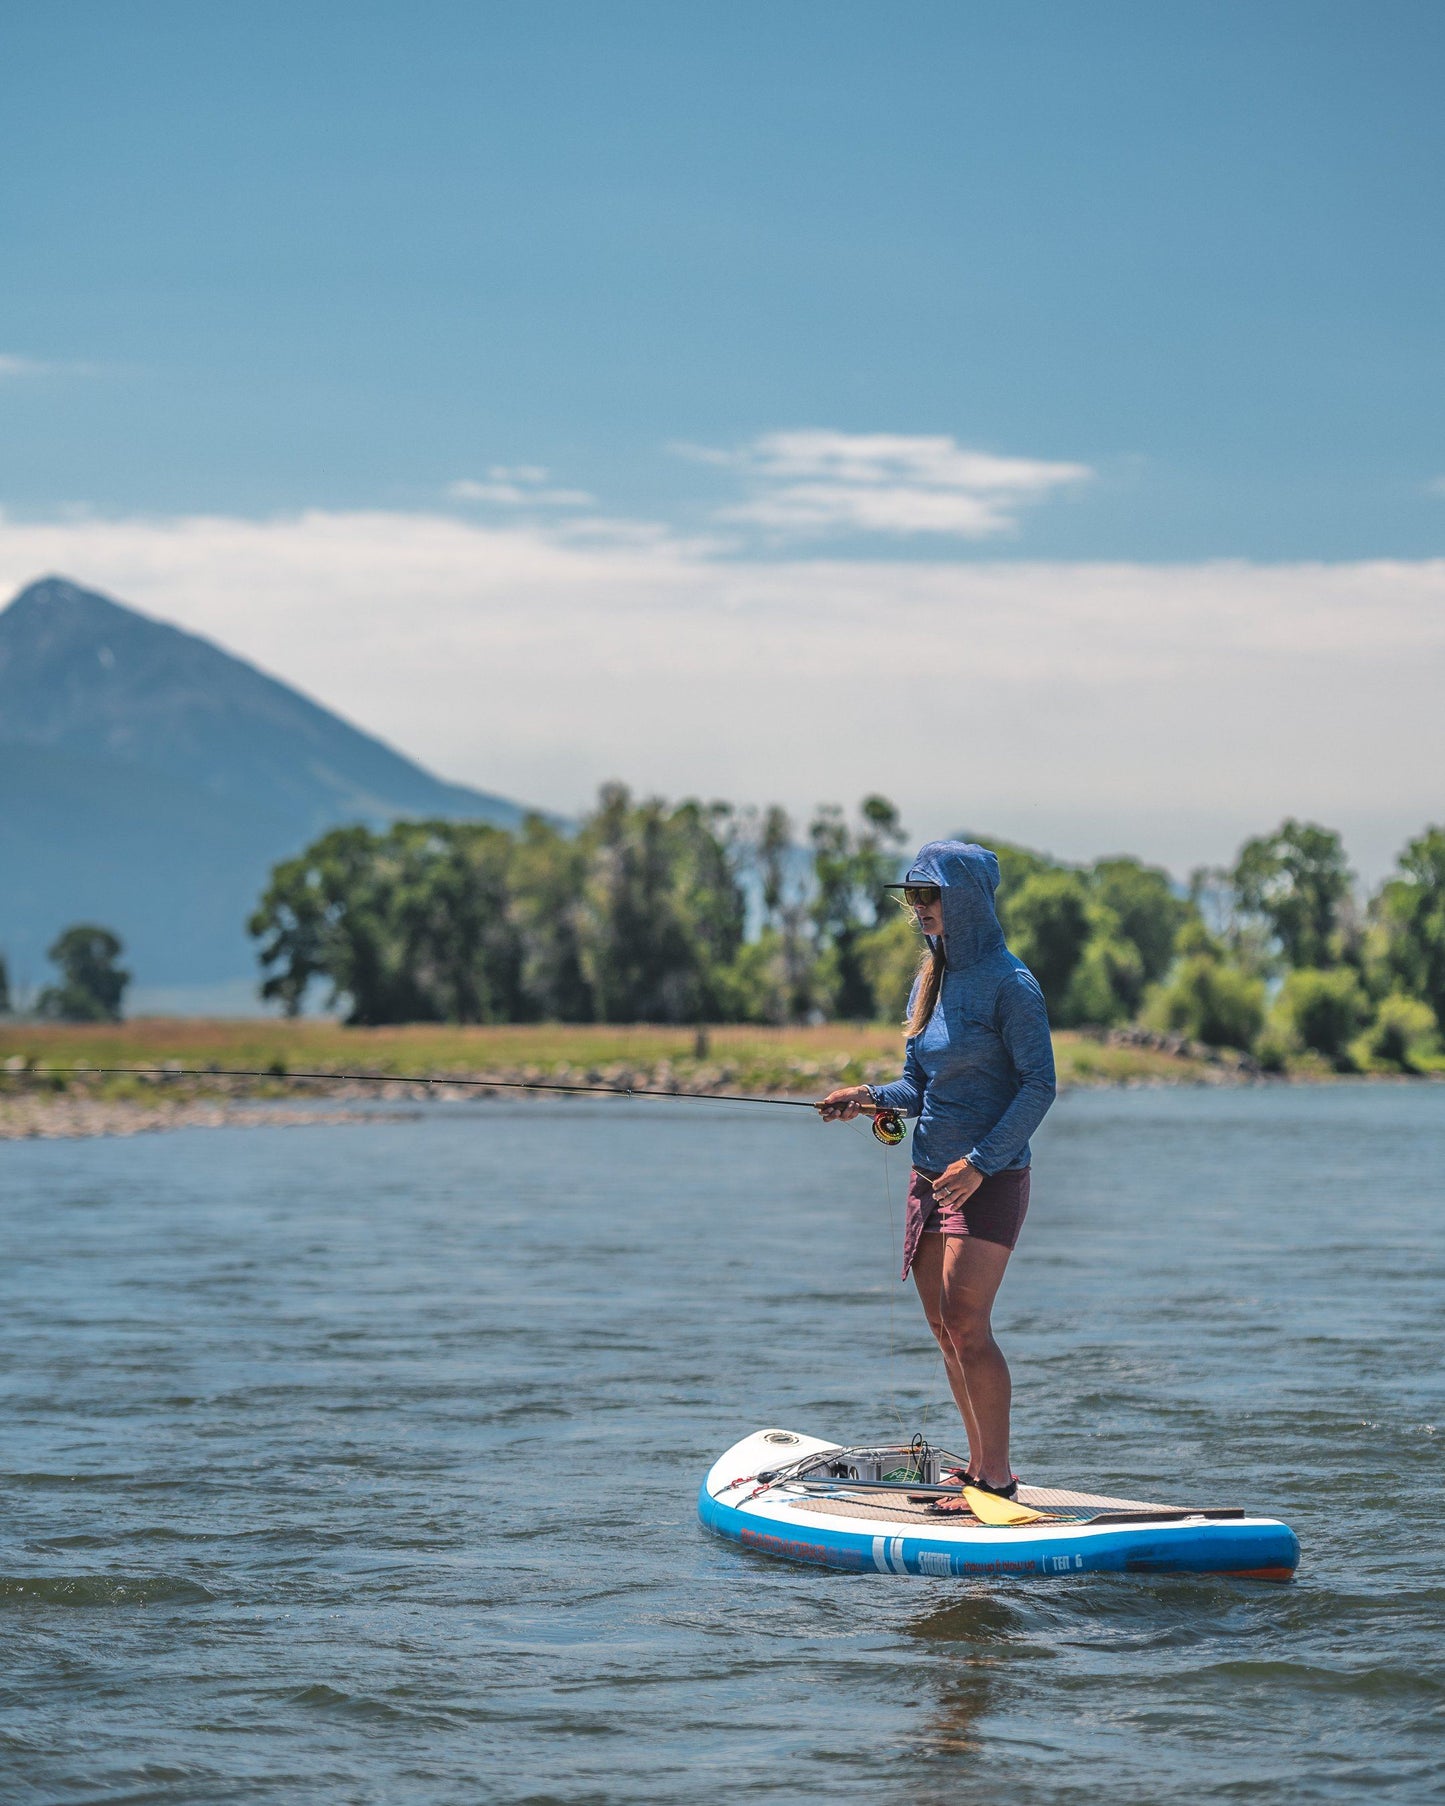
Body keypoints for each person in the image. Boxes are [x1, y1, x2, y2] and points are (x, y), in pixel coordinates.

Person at [817, 840, 1056, 1507]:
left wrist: (979, 1165)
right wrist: (865, 1096)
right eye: (911, 897)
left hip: (989, 1179)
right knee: (942, 1326)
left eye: (928, 894)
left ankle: (997, 1479)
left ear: (967, 899)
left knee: (966, 1320)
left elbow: (1039, 1085)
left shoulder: (1012, 985)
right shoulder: (933, 979)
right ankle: (977, 1466)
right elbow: (917, 1084)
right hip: (927, 1178)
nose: (917, 907)